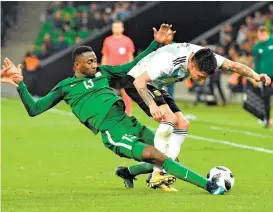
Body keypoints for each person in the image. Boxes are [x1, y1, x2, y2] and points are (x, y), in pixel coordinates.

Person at [3, 24, 226, 195]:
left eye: (94, 60)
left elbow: (132, 65)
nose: (93, 64)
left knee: (169, 159)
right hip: (112, 132)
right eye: (88, 62)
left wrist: (155, 44)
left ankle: (127, 172)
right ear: (76, 66)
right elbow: (34, 109)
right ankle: (210, 187)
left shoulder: (105, 72)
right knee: (156, 156)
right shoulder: (65, 87)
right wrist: (20, 83)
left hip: (127, 121)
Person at [117, 34, 271, 190]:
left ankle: (137, 172)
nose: (202, 80)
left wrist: (255, 75)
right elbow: (139, 82)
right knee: (169, 118)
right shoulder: (168, 62)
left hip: (156, 86)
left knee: (183, 124)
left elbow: (234, 66)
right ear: (191, 65)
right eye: (201, 76)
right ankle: (157, 174)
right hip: (137, 82)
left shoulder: (206, 58)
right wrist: (152, 105)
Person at [101, 20, 135, 116]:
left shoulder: (127, 41)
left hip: (123, 71)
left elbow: (130, 56)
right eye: (114, 27)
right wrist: (103, 69)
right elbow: (105, 55)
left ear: (122, 28)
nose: (116, 29)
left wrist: (131, 69)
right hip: (111, 71)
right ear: (112, 29)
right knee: (108, 91)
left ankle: (128, 113)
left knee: (126, 92)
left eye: (118, 27)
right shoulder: (107, 40)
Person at [252, 26, 273, 128]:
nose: (260, 36)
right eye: (258, 34)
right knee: (266, 98)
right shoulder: (257, 47)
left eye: (261, 34)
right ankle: (267, 120)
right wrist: (255, 76)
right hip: (265, 76)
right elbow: (256, 63)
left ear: (266, 33)